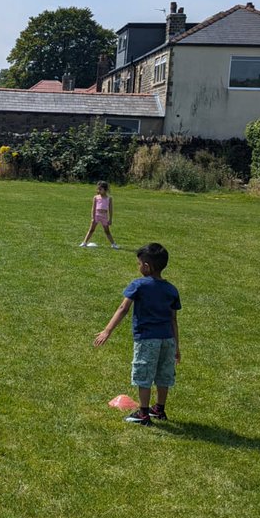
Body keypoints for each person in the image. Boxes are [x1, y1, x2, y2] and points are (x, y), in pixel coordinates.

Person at [93, 243, 181, 426]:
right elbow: (174, 319)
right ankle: (159, 409)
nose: (138, 267)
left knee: (144, 375)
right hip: (168, 340)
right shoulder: (172, 289)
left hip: (147, 339)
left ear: (147, 266)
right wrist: (177, 347)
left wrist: (107, 330)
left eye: (139, 263)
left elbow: (123, 308)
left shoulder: (139, 285)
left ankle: (143, 413)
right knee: (163, 375)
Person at [80, 181, 118, 249]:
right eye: (98, 189)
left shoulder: (109, 198)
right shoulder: (96, 197)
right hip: (96, 215)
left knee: (107, 231)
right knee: (91, 230)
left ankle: (113, 244)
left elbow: (110, 210)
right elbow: (93, 208)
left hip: (104, 216)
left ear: (105, 189)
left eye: (100, 189)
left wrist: (110, 219)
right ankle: (84, 243)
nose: (98, 191)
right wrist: (93, 217)